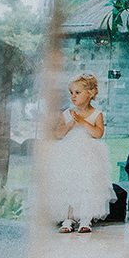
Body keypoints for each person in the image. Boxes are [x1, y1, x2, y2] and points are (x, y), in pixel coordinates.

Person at [45, 75, 112, 233]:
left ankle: (85, 219)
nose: (73, 96)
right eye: (71, 93)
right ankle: (68, 218)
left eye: (77, 92)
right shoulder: (67, 113)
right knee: (69, 184)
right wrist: (70, 124)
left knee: (87, 185)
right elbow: (59, 134)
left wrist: (83, 122)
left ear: (90, 93)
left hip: (88, 155)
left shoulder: (96, 114)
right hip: (69, 154)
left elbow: (98, 133)